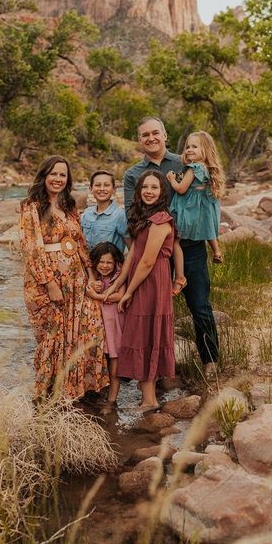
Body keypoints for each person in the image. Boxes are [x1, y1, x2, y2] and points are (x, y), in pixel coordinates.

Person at [123, 117, 219, 378]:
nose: (151, 138)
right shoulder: (132, 175)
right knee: (152, 310)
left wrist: (212, 235)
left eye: (156, 133)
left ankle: (210, 361)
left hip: (190, 246)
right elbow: (131, 213)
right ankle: (158, 370)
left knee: (199, 304)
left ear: (165, 135)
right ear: (139, 140)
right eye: (145, 135)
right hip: (153, 251)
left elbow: (209, 192)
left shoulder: (186, 162)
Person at [20, 155, 109, 400]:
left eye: (63, 175)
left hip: (75, 278)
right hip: (45, 281)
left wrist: (90, 274)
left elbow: (79, 242)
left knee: (88, 325)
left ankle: (77, 388)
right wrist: (49, 283)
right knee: (53, 336)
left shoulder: (69, 205)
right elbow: (32, 248)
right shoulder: (32, 206)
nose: (58, 179)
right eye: (54, 174)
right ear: (44, 176)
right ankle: (46, 394)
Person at [105, 170, 175, 411]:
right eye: (145, 187)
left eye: (155, 188)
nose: (149, 191)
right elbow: (132, 255)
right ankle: (147, 396)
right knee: (141, 332)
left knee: (147, 332)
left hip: (152, 282)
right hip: (139, 278)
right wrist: (116, 284)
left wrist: (128, 292)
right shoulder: (143, 217)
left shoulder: (161, 220)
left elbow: (146, 262)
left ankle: (149, 400)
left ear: (162, 192)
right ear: (139, 190)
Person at [167, 131, 225, 272]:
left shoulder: (194, 168)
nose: (189, 150)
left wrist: (171, 179)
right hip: (203, 207)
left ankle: (178, 275)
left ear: (205, 149)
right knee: (208, 228)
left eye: (194, 147)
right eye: (188, 147)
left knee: (176, 240)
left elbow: (181, 189)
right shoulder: (207, 167)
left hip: (190, 208)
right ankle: (217, 251)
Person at [86, 242, 126, 411]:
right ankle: (99, 392)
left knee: (114, 360)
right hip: (99, 324)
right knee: (100, 359)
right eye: (101, 262)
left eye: (109, 262)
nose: (104, 266)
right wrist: (91, 279)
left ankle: (111, 400)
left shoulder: (119, 276)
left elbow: (120, 295)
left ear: (116, 262)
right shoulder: (94, 278)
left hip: (115, 324)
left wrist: (96, 296)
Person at [80, 170, 128, 253]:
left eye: (106, 185)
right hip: (86, 264)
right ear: (91, 189)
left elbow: (132, 248)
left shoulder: (120, 215)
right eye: (98, 185)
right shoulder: (86, 214)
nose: (102, 189)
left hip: (110, 265)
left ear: (114, 189)